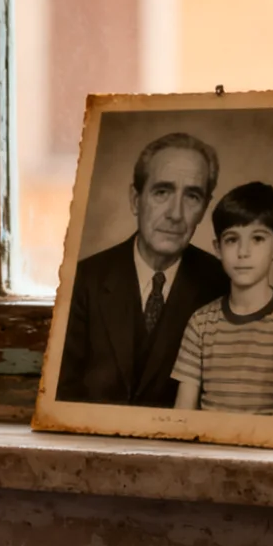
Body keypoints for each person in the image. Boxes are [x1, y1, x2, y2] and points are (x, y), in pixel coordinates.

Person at [55, 132, 230, 408]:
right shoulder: (84, 280)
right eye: (162, 192)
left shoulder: (222, 285)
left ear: (205, 207)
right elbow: (62, 397)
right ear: (136, 200)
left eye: (192, 196)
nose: (175, 213)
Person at [172, 181, 273, 416]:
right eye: (232, 240)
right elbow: (182, 414)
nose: (243, 252)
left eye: (257, 239)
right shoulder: (201, 323)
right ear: (217, 249)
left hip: (266, 451)